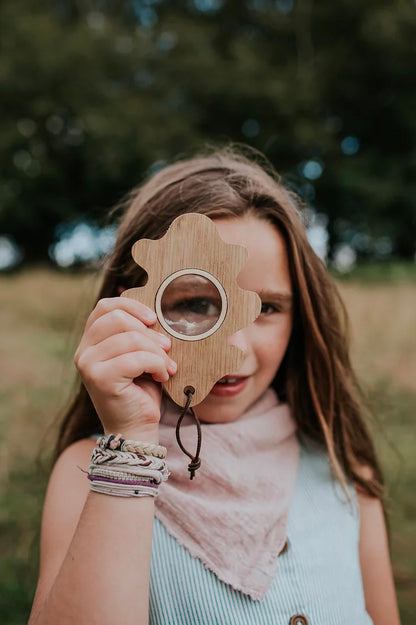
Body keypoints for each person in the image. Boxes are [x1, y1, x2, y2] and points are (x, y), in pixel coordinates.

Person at [29, 149, 401, 625]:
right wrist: (133, 439)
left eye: (266, 308)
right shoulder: (88, 471)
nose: (236, 349)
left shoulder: (341, 465)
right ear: (136, 309)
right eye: (196, 304)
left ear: (302, 318)